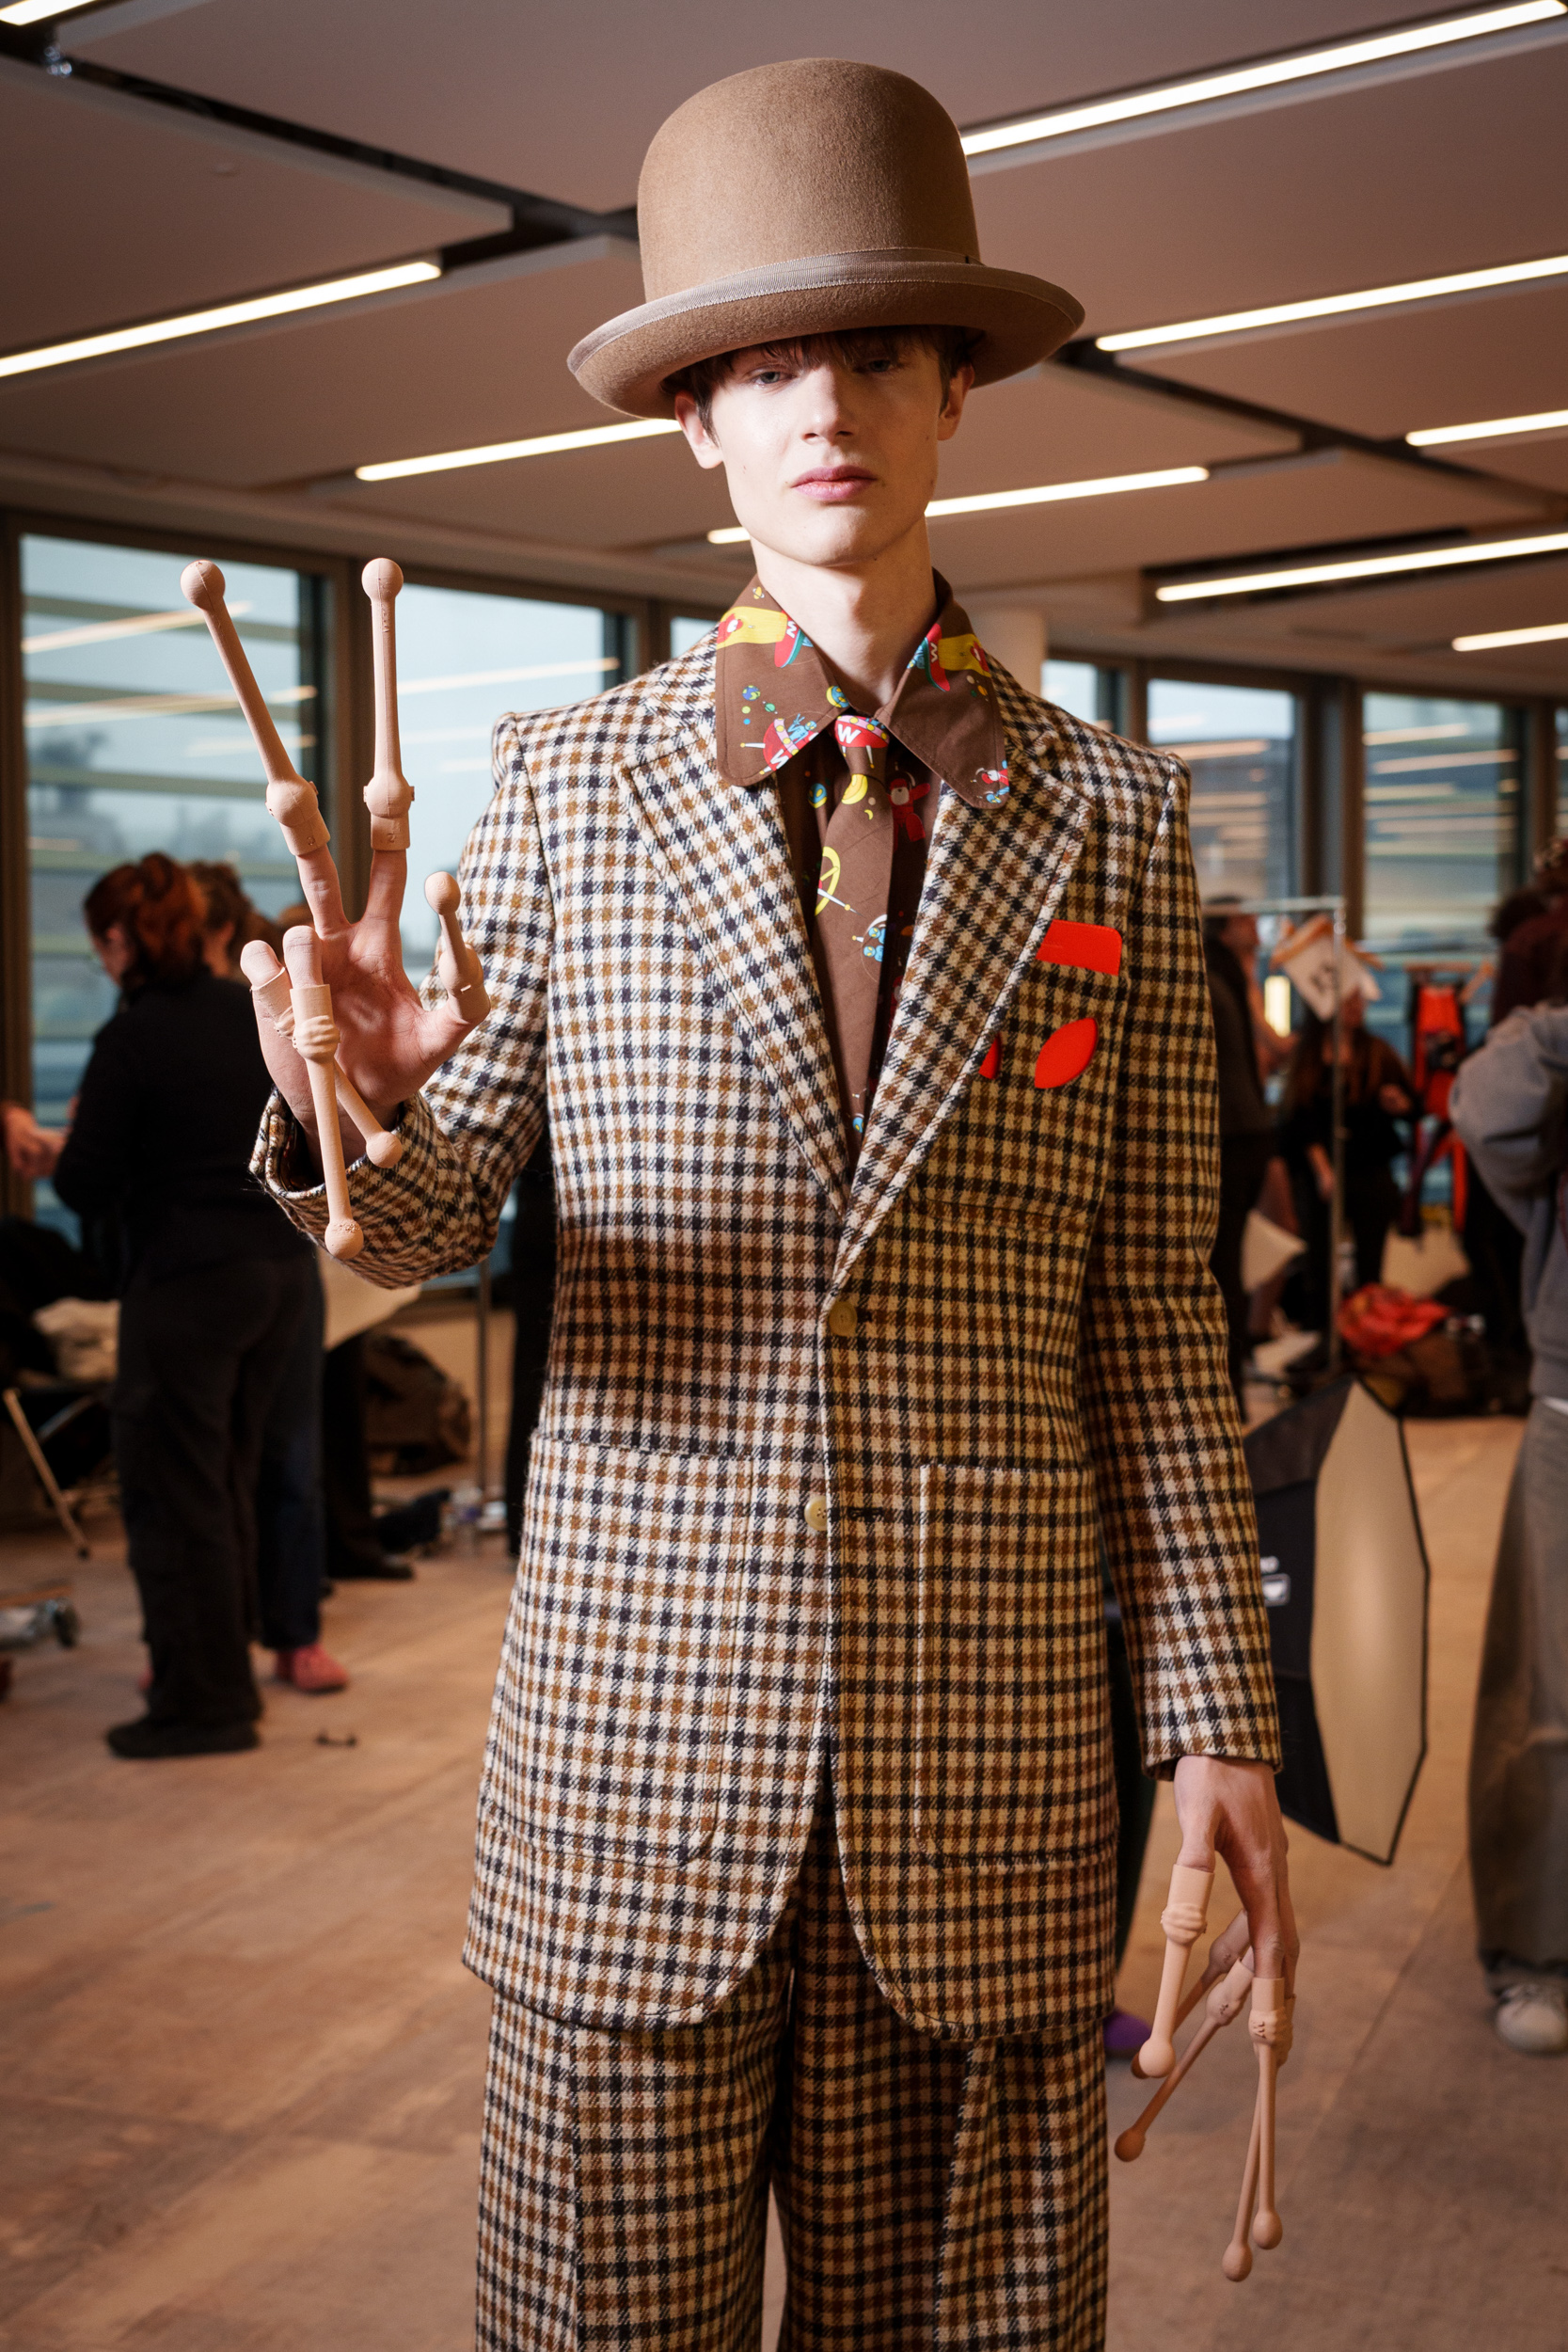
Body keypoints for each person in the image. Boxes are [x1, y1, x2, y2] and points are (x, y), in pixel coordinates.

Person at [248, 61, 1292, 2347]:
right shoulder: (561, 787)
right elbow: (424, 1227)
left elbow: (1151, 1318)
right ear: (698, 422)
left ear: (957, 394)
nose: (826, 403)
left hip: (997, 1765)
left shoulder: (1105, 820)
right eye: (764, 362)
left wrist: (1220, 1711)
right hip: (636, 1775)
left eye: (877, 352)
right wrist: (358, 1099)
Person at [48, 853, 343, 1756]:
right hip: (276, 1278)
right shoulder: (241, 1016)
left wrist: (60, 1148)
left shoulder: (133, 1037)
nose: (100, 956)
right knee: (227, 1484)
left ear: (124, 938)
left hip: (184, 1289)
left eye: (103, 938)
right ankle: (225, 1679)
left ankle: (203, 1704)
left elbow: (86, 1183)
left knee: (176, 1500)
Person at [1449, 989, 1568, 2055]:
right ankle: (1532, 1949)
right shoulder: (1544, 1039)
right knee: (1545, 1695)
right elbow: (1484, 1112)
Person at [1280, 992, 1414, 1329]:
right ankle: (1324, 1337)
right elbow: (1298, 1117)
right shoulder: (1308, 1054)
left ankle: (1367, 1335)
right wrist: (1322, 1169)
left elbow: (1416, 1105)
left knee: (1370, 1267)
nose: (1355, 1007)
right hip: (1322, 1174)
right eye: (1347, 1000)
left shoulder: (1377, 1052)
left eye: (1359, 1001)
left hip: (1371, 1169)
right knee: (1320, 1266)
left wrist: (1400, 1104)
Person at [1203, 899, 1283, 1404]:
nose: (1257, 927)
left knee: (1222, 1264)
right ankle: (1232, 1381)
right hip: (1248, 1129)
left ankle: (1228, 1385)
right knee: (1229, 1261)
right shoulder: (1228, 977)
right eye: (1248, 920)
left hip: (1229, 1134)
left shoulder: (1208, 979)